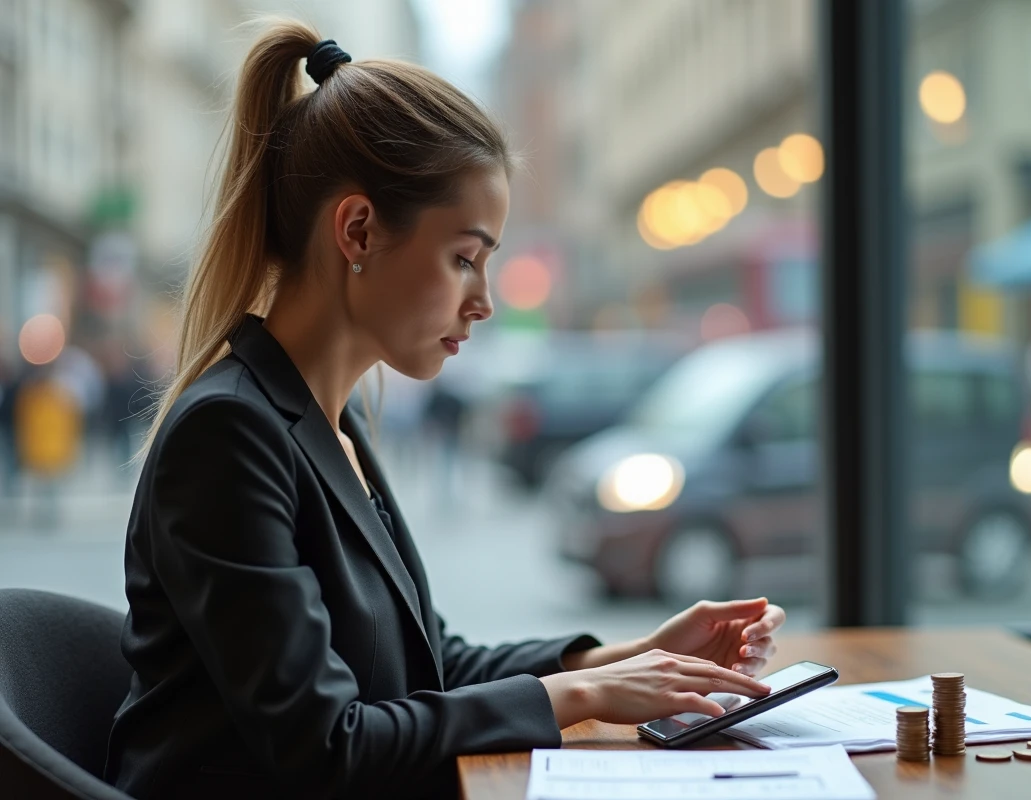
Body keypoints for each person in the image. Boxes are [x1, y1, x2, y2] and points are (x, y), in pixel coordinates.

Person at [103, 21, 786, 800]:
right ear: (358, 230)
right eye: (464, 258)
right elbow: (328, 746)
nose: (485, 301)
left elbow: (422, 664)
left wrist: (621, 660)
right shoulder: (228, 434)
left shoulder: (332, 420)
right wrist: (584, 699)